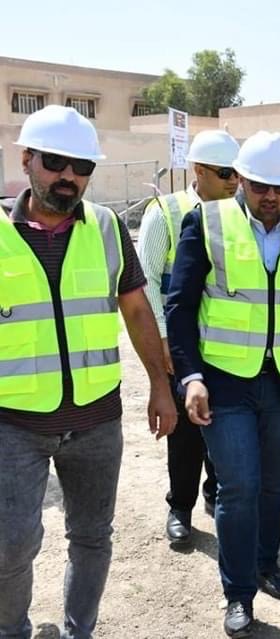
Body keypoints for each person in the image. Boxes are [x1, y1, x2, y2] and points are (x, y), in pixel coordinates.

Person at [0, 105, 177, 639]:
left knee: (93, 536)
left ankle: (80, 631)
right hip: (15, 424)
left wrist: (160, 385)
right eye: (55, 162)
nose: (69, 177)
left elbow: (137, 310)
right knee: (11, 544)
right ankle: (13, 630)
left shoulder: (105, 227)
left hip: (97, 420)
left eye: (81, 167)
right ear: (27, 160)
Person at [166, 131, 280, 638]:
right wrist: (191, 377)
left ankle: (265, 563)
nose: (271, 197)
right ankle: (238, 593)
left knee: (274, 484)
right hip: (225, 383)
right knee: (239, 487)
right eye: (260, 186)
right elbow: (179, 306)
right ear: (240, 180)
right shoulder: (207, 222)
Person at [137, 129, 240, 547]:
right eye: (225, 173)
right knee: (184, 432)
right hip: (180, 342)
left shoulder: (242, 215)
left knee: (224, 421)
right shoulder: (166, 211)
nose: (234, 181)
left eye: (238, 173)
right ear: (199, 170)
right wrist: (164, 339)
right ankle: (180, 506)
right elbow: (146, 280)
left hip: (226, 342)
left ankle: (216, 493)